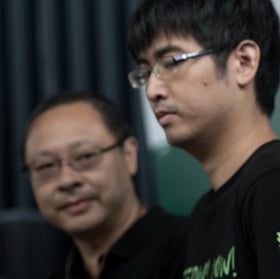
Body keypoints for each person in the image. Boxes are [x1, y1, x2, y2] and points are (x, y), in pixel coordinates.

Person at [126, 0, 280, 279]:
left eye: (171, 62)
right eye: (145, 72)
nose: (153, 90)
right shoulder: (203, 214)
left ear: (243, 62)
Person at [21, 90, 186, 279]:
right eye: (46, 166)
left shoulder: (192, 250)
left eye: (85, 156)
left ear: (129, 155)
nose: (66, 180)